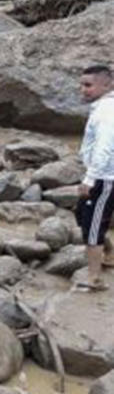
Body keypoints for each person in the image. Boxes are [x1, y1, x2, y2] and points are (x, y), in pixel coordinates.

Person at [77, 64, 114, 292]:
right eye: (81, 85)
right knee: (82, 214)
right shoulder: (102, 107)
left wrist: (89, 179)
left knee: (92, 225)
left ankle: (94, 278)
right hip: (104, 174)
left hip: (104, 177)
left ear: (107, 84)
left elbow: (104, 147)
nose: (83, 90)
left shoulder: (106, 111)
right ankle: (109, 252)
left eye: (88, 85)